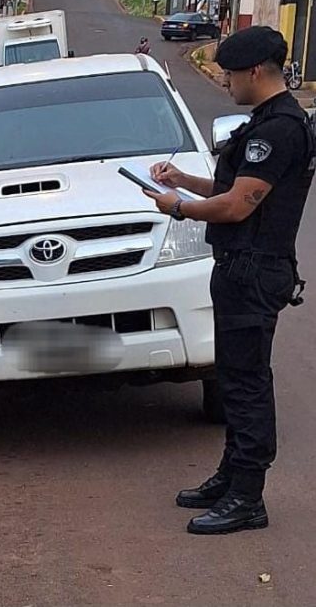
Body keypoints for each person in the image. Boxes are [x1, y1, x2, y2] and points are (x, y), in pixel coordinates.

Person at [145, 26, 315, 535]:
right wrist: (182, 181)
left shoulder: (278, 129)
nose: (225, 83)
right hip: (244, 267)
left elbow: (239, 205)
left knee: (245, 383)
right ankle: (231, 476)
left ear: (256, 72)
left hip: (253, 268)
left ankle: (248, 497)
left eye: (230, 74)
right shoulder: (268, 121)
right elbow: (232, 185)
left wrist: (179, 208)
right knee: (236, 375)